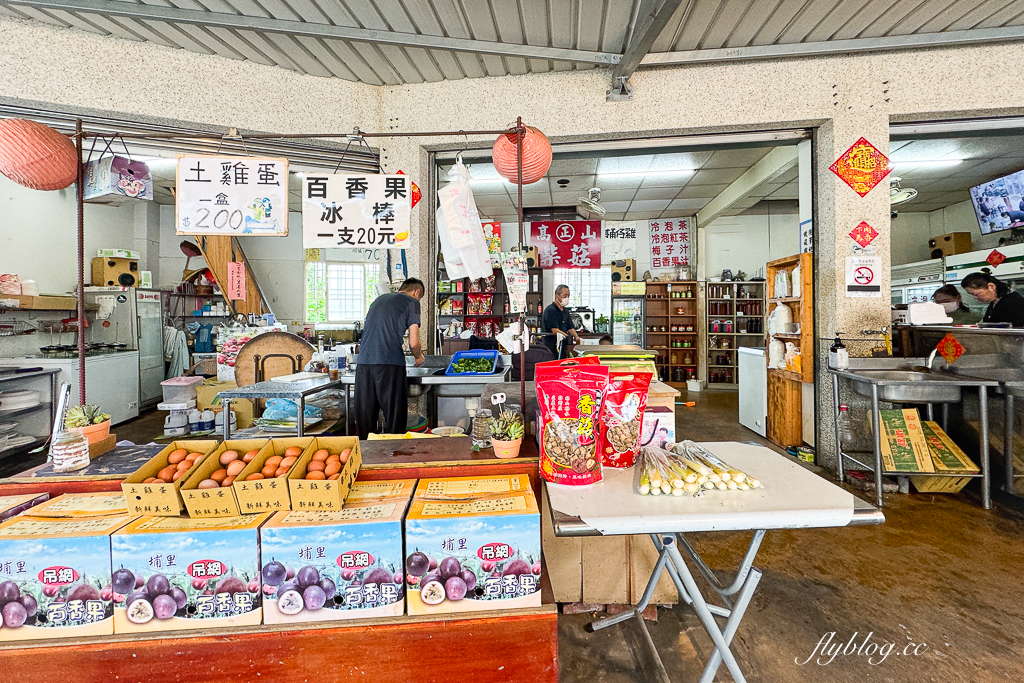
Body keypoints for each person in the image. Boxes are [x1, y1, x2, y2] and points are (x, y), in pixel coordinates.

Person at [354, 278, 425, 439]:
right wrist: (419, 357)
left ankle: (366, 459)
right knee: (394, 418)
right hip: (390, 363)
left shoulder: (378, 300)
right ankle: (393, 458)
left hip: (364, 364)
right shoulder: (412, 302)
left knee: (365, 419)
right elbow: (413, 342)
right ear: (417, 292)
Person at [541, 284, 580, 359]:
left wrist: (576, 337)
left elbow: (570, 328)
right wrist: (567, 336)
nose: (567, 298)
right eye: (564, 295)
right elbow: (554, 330)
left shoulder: (565, 311)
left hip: (563, 347)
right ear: (557, 296)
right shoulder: (550, 310)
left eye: (568, 295)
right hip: (551, 347)